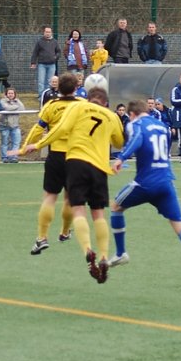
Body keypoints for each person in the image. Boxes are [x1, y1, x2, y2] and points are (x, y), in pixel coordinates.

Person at [106, 100, 181, 294]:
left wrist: (121, 158)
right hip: (166, 182)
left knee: (116, 207)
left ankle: (121, 253)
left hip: (146, 183)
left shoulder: (136, 124)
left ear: (132, 114)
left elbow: (136, 139)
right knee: (180, 227)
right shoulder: (161, 125)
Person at [28, 87, 125, 283]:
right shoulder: (111, 115)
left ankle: (87, 249)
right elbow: (120, 142)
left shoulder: (78, 108)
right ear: (105, 103)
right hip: (99, 166)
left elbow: (61, 129)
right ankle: (105, 256)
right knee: (98, 213)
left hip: (76, 162)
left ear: (88, 100)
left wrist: (37, 145)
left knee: (77, 209)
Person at [18, 73, 81, 253]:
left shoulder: (51, 106)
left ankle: (42, 237)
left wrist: (25, 147)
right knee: (70, 198)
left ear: (58, 88)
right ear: (76, 87)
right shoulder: (82, 106)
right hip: (76, 156)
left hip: (56, 156)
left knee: (50, 197)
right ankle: (64, 232)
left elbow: (38, 128)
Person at [30, 26, 60, 96]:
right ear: (44, 32)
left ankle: (48, 95)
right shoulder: (39, 41)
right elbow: (35, 52)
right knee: (41, 82)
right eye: (46, 32)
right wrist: (33, 62)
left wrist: (55, 57)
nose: (47, 33)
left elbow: (58, 52)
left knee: (50, 82)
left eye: (49, 32)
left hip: (52, 64)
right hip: (42, 64)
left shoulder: (55, 42)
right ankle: (41, 96)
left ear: (51, 33)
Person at [0, 88, 24, 163]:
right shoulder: (2, 101)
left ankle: (13, 157)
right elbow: (7, 108)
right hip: (4, 125)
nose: (10, 95)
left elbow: (22, 108)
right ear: (6, 94)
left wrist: (17, 102)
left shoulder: (17, 101)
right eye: (9, 93)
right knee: (5, 142)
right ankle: (5, 157)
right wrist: (16, 107)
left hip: (15, 126)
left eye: (12, 93)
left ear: (14, 94)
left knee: (16, 142)